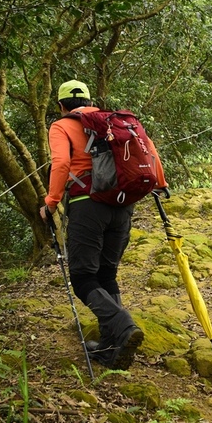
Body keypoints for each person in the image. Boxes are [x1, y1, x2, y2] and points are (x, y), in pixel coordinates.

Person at [39, 80, 144, 369]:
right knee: (106, 273)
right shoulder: (112, 121)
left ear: (61, 105)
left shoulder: (61, 126)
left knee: (84, 277)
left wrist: (51, 202)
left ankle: (122, 326)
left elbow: (60, 164)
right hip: (122, 204)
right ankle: (113, 345)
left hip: (87, 205)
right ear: (89, 100)